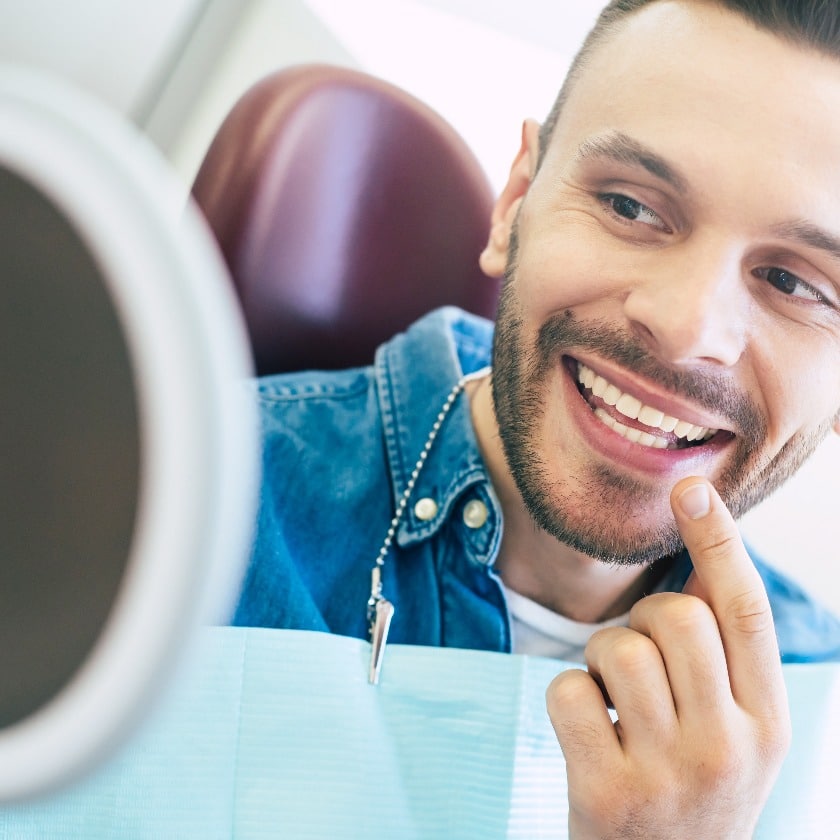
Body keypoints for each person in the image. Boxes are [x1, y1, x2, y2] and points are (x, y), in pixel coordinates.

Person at [233, 0, 840, 834]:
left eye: (796, 283)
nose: (687, 325)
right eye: (631, 206)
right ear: (516, 201)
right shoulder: (174, 499)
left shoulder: (820, 698)